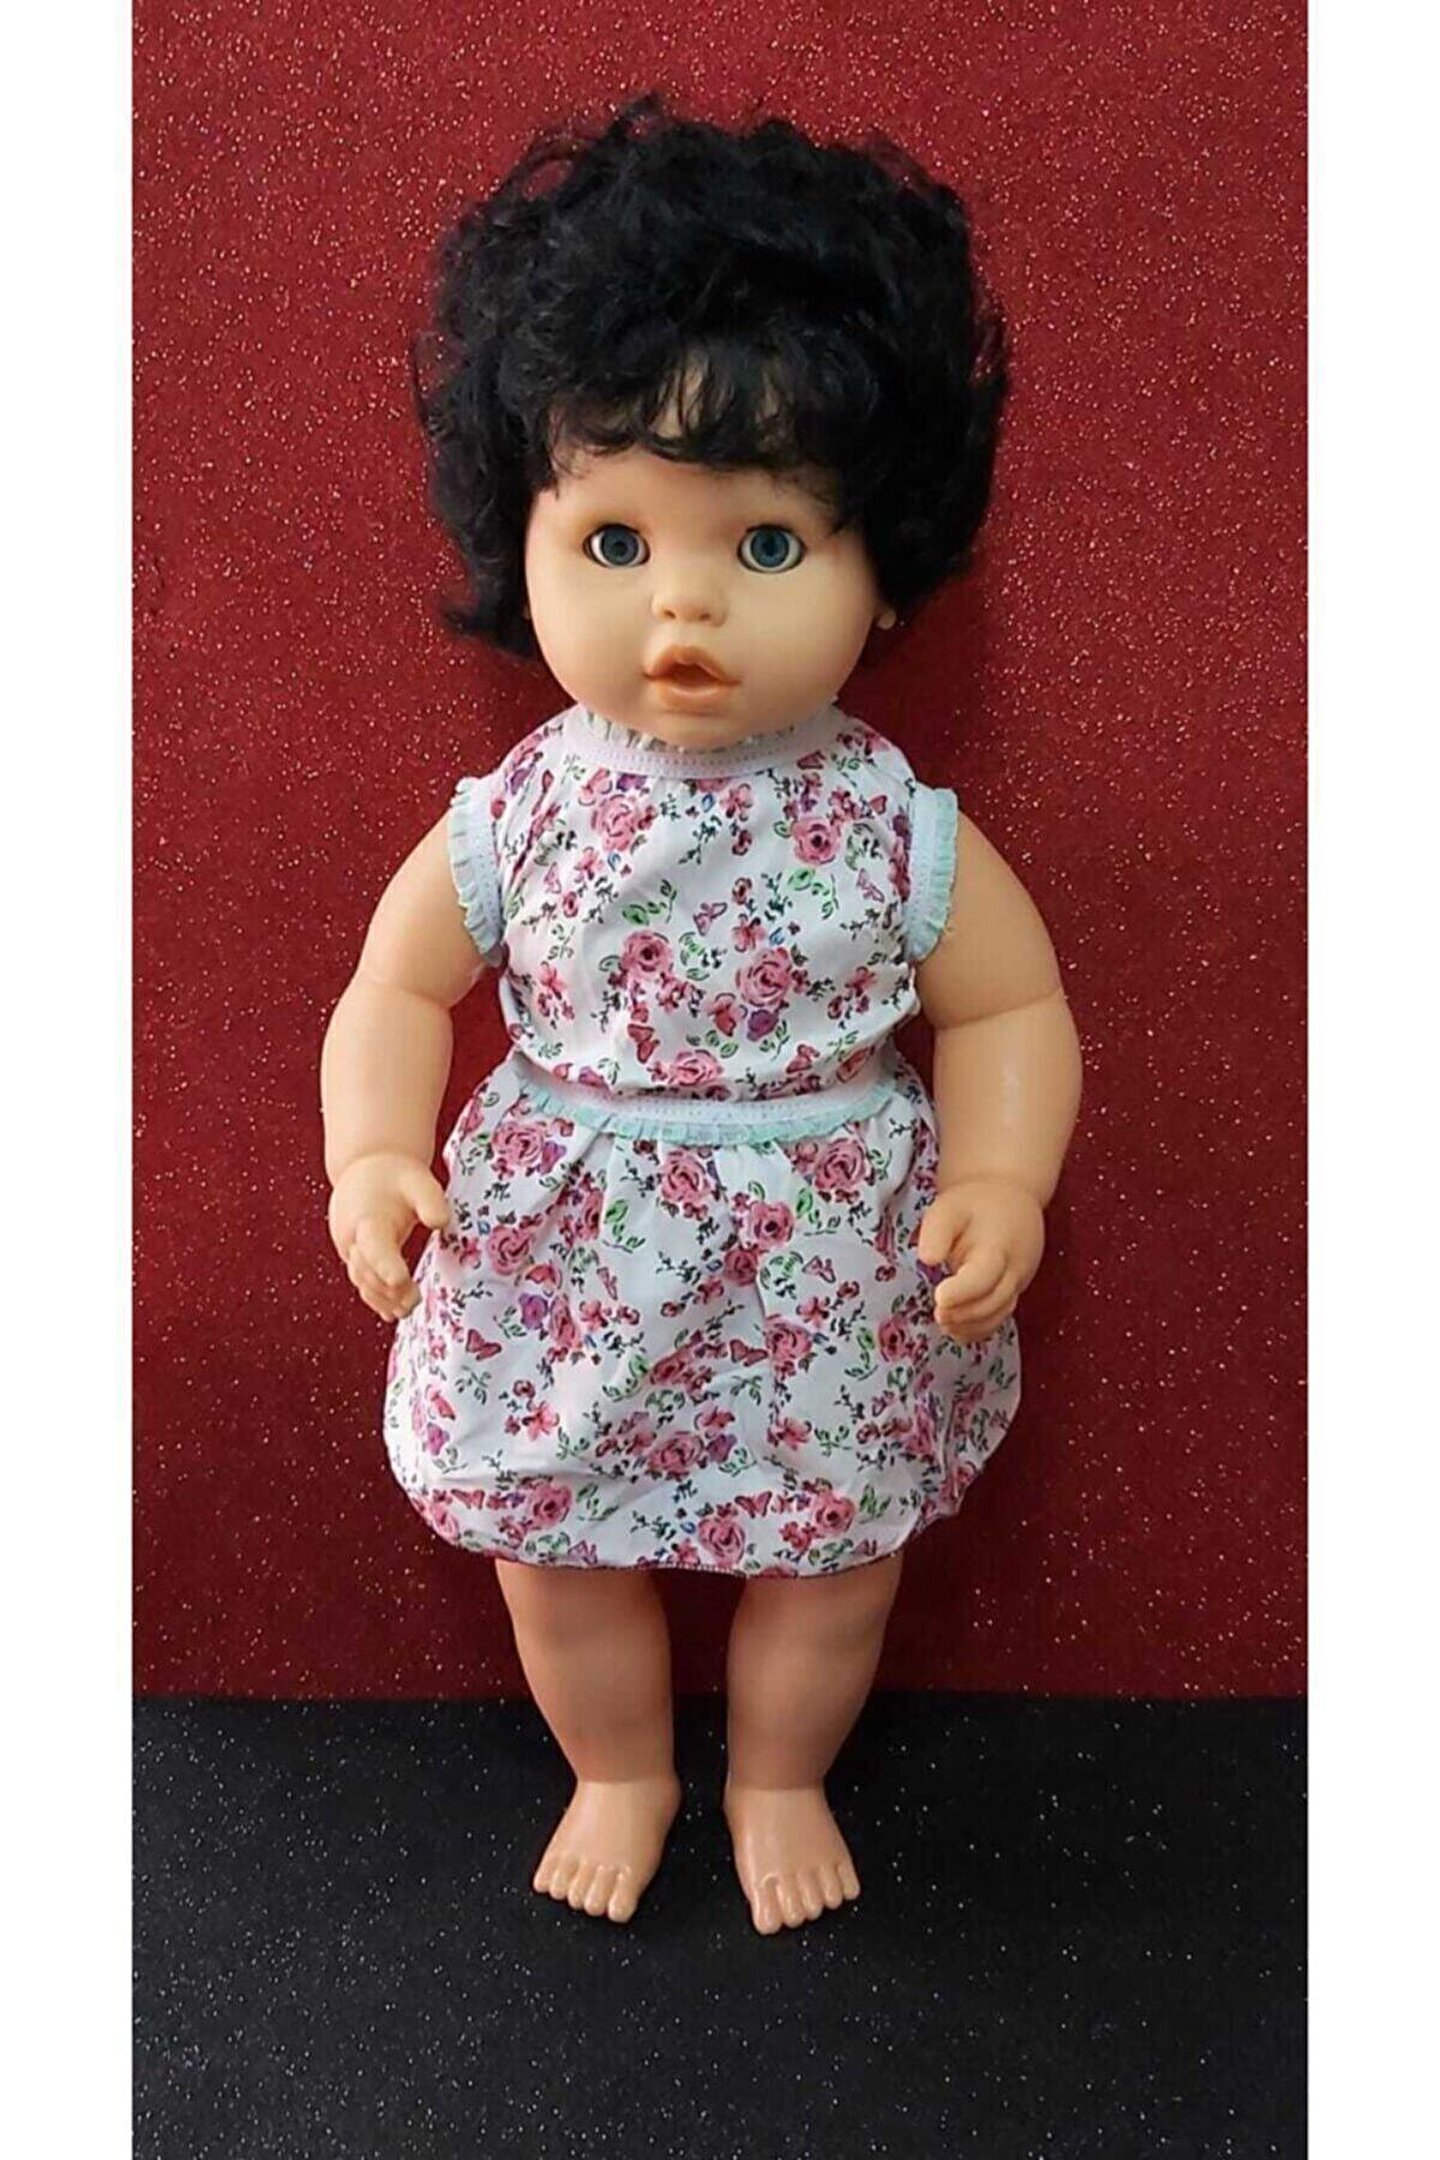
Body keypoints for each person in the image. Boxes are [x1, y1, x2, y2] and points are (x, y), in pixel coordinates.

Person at [320, 92, 1083, 1934]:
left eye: (765, 547)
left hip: (825, 1263)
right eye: (612, 543)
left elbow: (1011, 1008)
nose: (684, 608)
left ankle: (777, 1773)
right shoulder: (523, 812)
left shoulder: (892, 826)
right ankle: (621, 1766)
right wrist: (371, 1149)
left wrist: (1004, 1178)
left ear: (883, 571)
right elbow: (396, 982)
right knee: (552, 1547)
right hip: (565, 1256)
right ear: (517, 541)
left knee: (834, 1564)